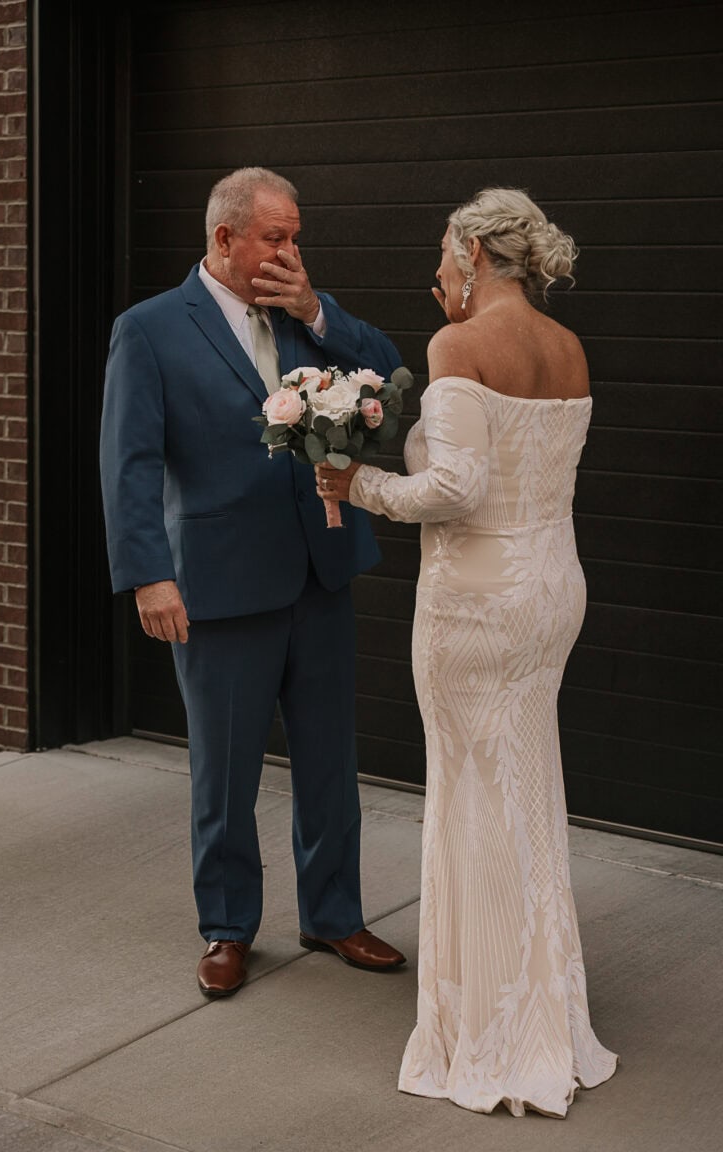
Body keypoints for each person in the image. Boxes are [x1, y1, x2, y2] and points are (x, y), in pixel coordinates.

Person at [317, 188, 618, 1117]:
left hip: (478, 608)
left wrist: (352, 478)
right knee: (525, 792)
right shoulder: (566, 348)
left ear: (478, 255)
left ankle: (488, 1033)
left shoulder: (458, 346)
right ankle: (545, 1016)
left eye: (445, 254)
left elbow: (451, 489)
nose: (438, 272)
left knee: (470, 803)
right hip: (551, 592)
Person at [100, 167, 406, 998]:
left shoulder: (307, 313)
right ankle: (228, 928)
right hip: (218, 584)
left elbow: (393, 377)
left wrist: (316, 310)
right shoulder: (151, 329)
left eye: (296, 236)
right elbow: (127, 465)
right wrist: (147, 578)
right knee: (226, 772)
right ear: (224, 237)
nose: (290, 252)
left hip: (322, 571)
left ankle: (334, 914)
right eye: (276, 237)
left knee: (329, 761)